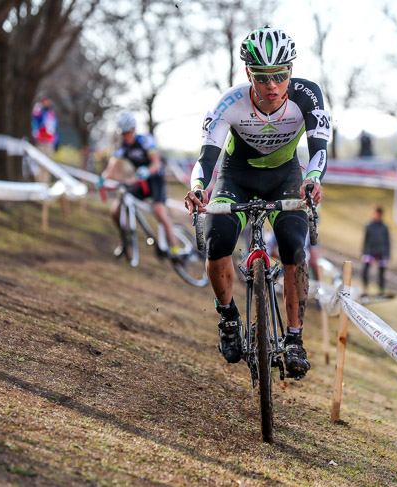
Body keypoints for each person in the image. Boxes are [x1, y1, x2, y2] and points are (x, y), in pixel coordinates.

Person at [184, 26, 329, 380]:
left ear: (290, 72)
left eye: (280, 75)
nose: (272, 85)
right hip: (237, 177)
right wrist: (199, 187)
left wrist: (312, 180)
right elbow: (206, 159)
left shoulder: (308, 95)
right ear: (249, 73)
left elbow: (320, 150)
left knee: (295, 246)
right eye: (263, 77)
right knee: (217, 242)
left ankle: (294, 338)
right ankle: (229, 317)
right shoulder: (229, 102)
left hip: (286, 177)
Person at [101, 112, 179, 258]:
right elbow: (112, 166)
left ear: (134, 130)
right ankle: (126, 239)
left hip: (155, 180)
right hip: (140, 182)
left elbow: (157, 163)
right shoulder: (122, 146)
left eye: (128, 133)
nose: (126, 137)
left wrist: (148, 171)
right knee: (116, 211)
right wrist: (103, 178)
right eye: (124, 134)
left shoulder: (145, 141)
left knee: (159, 212)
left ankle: (175, 249)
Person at [361, 205, 390, 295]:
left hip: (381, 252)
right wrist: (364, 253)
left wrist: (387, 255)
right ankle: (365, 289)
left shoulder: (384, 228)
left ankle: (381, 290)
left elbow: (387, 242)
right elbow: (365, 241)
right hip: (370, 251)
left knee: (381, 272)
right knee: (365, 270)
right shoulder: (369, 226)